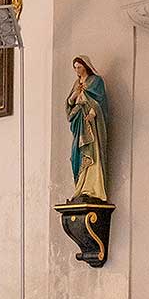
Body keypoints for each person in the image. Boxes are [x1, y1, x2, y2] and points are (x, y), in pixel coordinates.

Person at [65, 55, 109, 202]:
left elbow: (100, 101)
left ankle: (92, 188)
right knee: (76, 154)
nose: (77, 70)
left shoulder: (96, 81)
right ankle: (80, 187)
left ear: (86, 66)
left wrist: (92, 113)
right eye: (75, 68)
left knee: (91, 152)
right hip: (78, 121)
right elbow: (70, 104)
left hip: (90, 124)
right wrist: (74, 95)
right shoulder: (76, 83)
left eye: (79, 67)